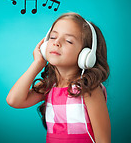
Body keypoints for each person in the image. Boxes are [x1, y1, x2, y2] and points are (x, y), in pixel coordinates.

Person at [6, 12, 111, 143]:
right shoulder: (49, 86)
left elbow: (104, 139)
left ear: (86, 55)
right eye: (53, 37)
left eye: (68, 41)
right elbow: (14, 100)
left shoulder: (89, 89)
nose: (57, 43)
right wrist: (38, 63)